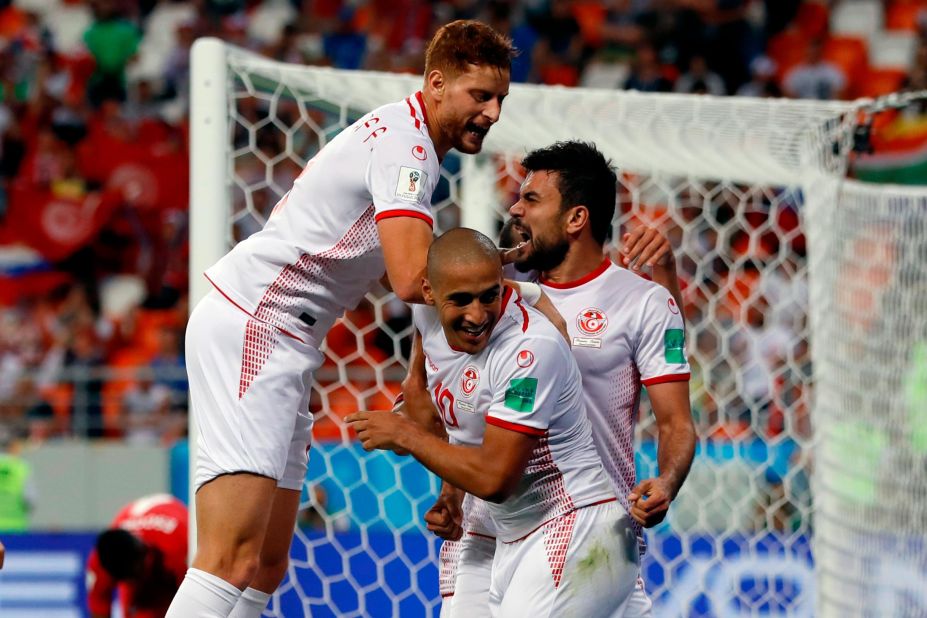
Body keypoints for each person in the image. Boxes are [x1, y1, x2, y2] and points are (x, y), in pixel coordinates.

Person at [167, 20, 526, 618]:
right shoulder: (408, 151)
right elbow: (413, 279)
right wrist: (501, 266)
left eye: (500, 100)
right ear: (437, 84)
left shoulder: (405, 140)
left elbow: (395, 273)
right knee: (228, 557)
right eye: (479, 96)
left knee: (266, 563)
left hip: (283, 335)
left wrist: (421, 375)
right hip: (258, 325)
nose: (492, 113)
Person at [423, 141, 695, 616]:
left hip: (588, 531)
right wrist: (451, 493)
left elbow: (676, 423)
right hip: (488, 532)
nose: (515, 208)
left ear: (576, 219)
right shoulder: (490, 298)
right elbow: (461, 404)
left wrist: (667, 483)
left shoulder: (642, 301)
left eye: (531, 199)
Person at [347, 228, 639, 615]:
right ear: (428, 292)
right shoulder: (426, 317)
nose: (477, 315)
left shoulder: (529, 349)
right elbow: (459, 429)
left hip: (573, 529)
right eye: (461, 301)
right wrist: (451, 496)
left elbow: (494, 480)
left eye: (489, 296)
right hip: (503, 535)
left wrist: (406, 435)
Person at [86, 494, 188, 618]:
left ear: (144, 553)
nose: (137, 580)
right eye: (131, 578)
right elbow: (99, 606)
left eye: (139, 573)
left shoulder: (179, 547)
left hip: (173, 531)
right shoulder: (101, 561)